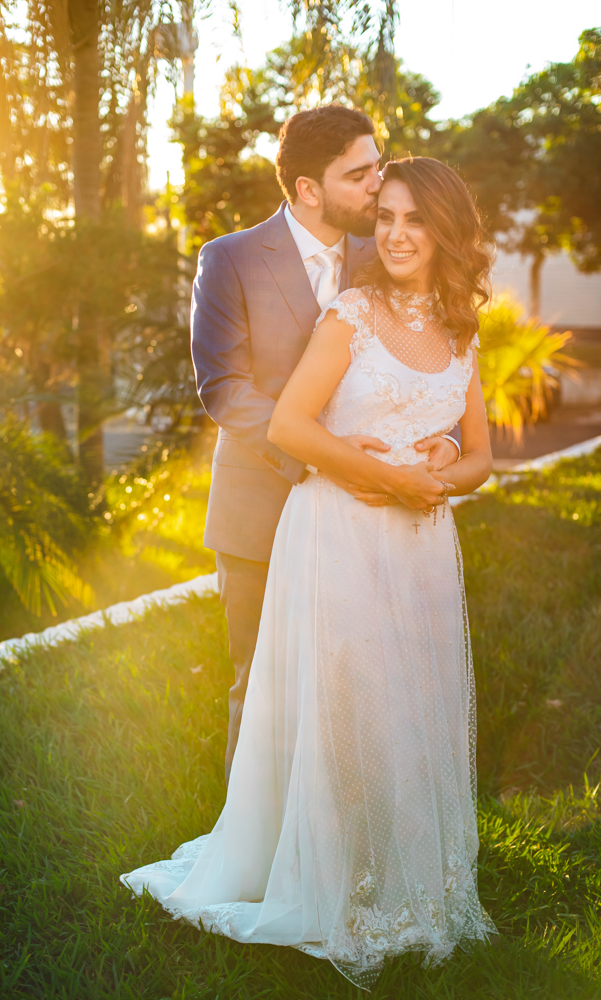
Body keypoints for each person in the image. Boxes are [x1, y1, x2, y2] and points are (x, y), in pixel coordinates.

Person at [121, 155, 497, 988]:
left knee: (407, 703)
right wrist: (383, 475)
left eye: (414, 220)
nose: (396, 234)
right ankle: (324, 879)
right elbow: (289, 424)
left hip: (419, 546)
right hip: (338, 531)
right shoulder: (350, 315)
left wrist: (439, 462)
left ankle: (399, 876)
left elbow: (482, 458)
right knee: (342, 700)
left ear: (445, 233)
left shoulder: (464, 330)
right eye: (386, 216)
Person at [188, 104, 460, 780]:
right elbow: (224, 388)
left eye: (378, 166)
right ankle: (254, 856)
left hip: (369, 521)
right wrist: (324, 457)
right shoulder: (230, 259)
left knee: (360, 688)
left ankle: (344, 845)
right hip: (261, 509)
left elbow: (424, 352)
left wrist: (444, 436)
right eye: (360, 174)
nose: (380, 184)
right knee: (263, 686)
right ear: (309, 189)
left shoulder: (387, 252)